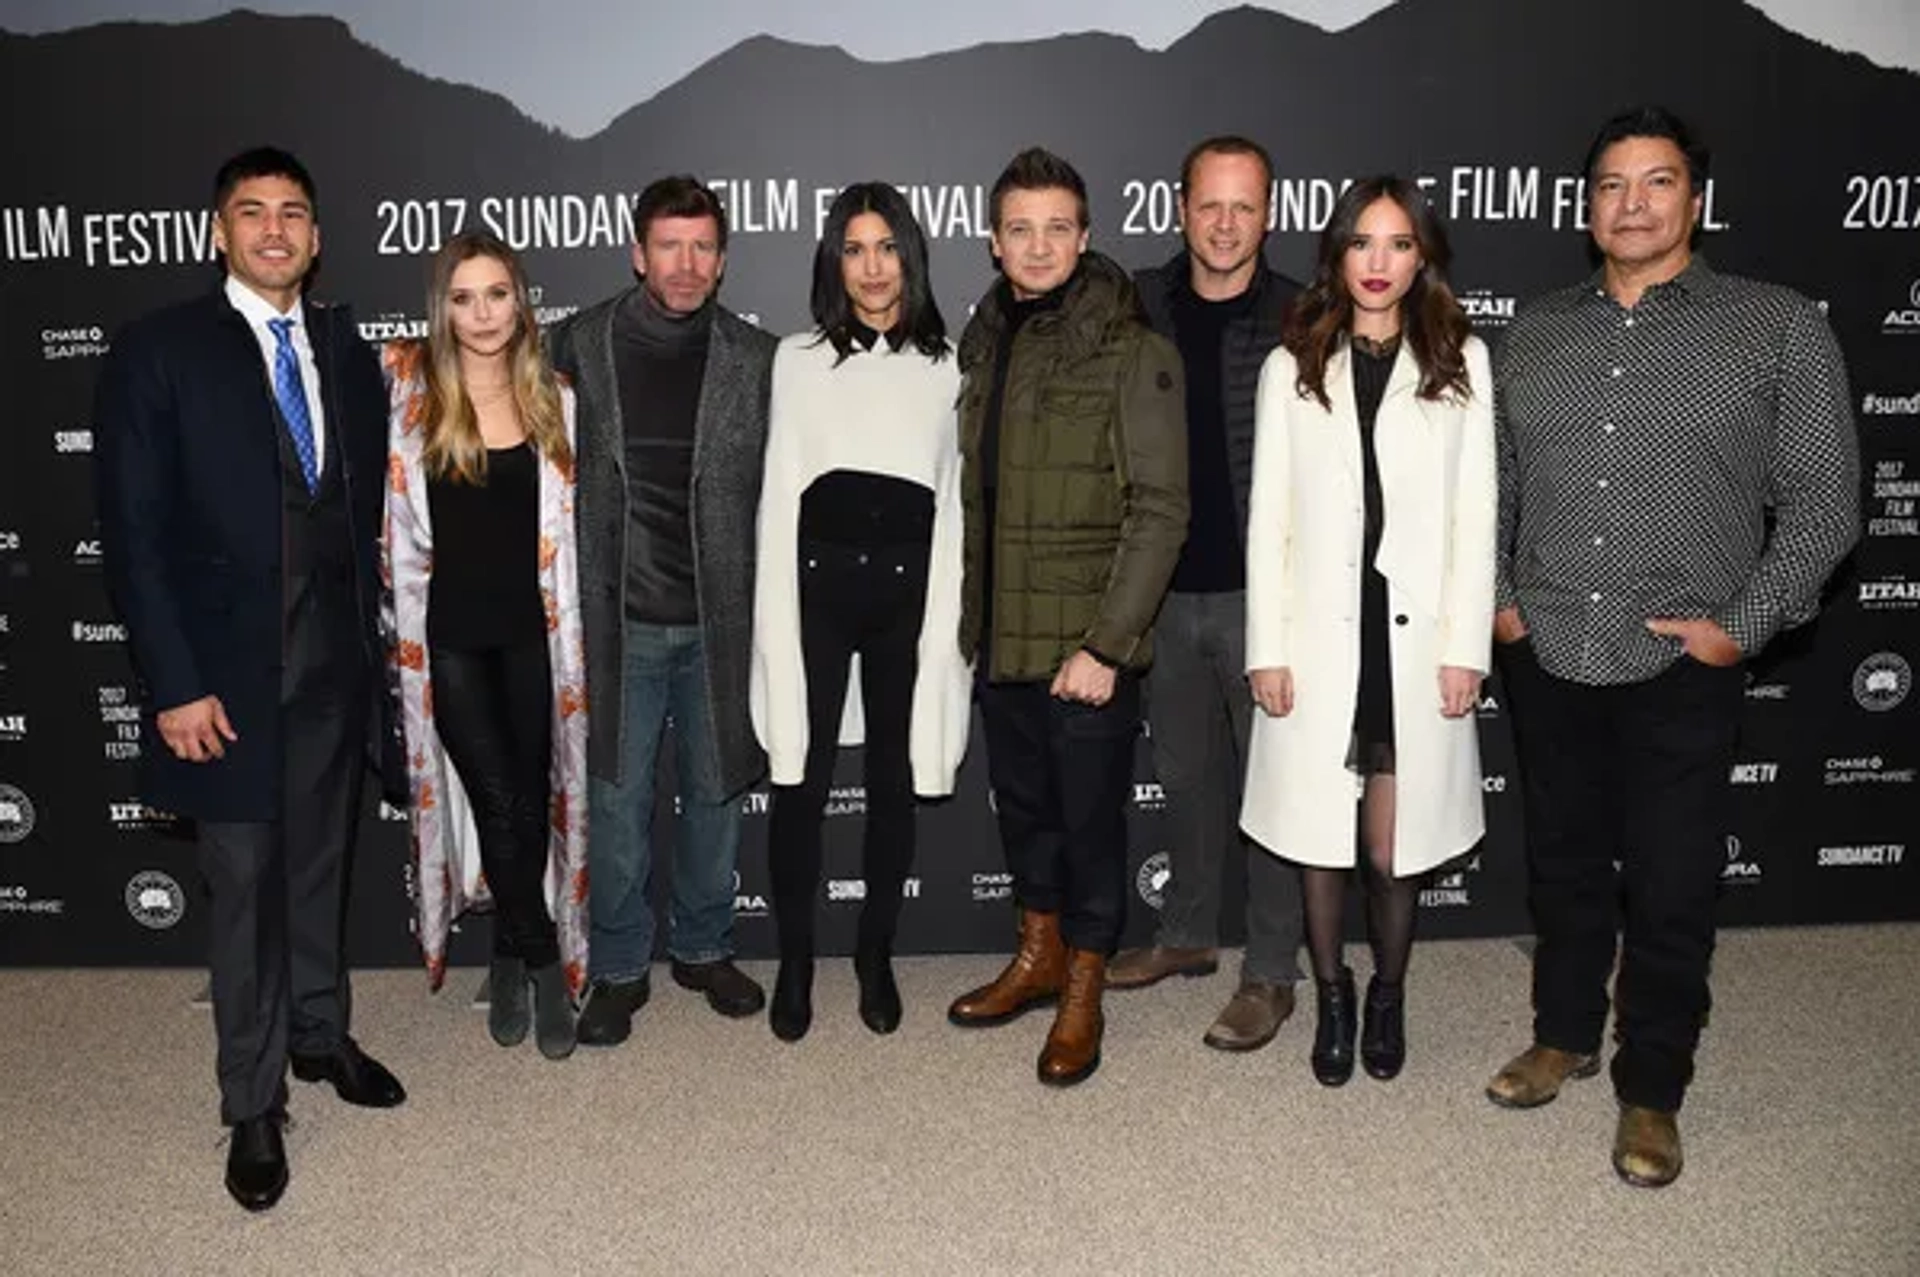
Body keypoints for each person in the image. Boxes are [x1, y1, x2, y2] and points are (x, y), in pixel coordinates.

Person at [1485, 106, 1858, 1187]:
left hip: (1680, 663)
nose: (1631, 203)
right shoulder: (1539, 331)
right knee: (1561, 867)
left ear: (1695, 196)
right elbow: (1493, 493)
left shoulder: (1775, 325)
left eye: (1655, 182)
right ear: (1586, 203)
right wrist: (1504, 606)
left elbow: (1828, 503)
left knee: (1673, 879)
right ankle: (1563, 1032)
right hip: (1548, 645)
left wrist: (1737, 630)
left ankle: (1653, 1086)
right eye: (1610, 185)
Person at [93, 147, 406, 1213]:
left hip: (334, 668)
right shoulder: (158, 351)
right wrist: (173, 683)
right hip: (221, 682)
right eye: (253, 212)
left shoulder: (343, 348)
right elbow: (133, 536)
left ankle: (320, 1034)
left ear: (317, 239)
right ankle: (251, 1100)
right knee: (244, 895)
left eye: (295, 214)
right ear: (217, 232)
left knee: (321, 868)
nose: (276, 230)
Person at [1242, 176, 1495, 1088]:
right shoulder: (1294, 364)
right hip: (1319, 638)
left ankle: (1388, 991)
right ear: (1337, 255)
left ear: (1421, 254)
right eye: (1361, 243)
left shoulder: (1460, 360)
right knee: (1319, 838)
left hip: (1413, 640)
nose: (1378, 263)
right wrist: (1265, 646)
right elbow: (1268, 515)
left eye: (1397, 244)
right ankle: (1332, 991)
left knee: (1391, 848)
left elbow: (1478, 514)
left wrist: (1467, 646)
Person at [945, 148, 1189, 1087]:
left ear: (1085, 238)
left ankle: (1083, 988)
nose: (1039, 246)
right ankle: (1038, 956)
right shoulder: (986, 337)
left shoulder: (1132, 348)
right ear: (995, 242)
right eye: (1020, 229)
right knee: (1029, 818)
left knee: (1091, 828)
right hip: (1003, 637)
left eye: (1058, 228)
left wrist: (1106, 646)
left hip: (1088, 646)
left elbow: (1161, 509)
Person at [548, 176, 778, 1044]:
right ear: (638, 252)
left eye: (703, 247)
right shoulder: (575, 345)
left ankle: (703, 946)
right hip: (619, 623)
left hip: (724, 617)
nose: (685, 265)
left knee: (716, 790)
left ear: (722, 260)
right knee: (615, 800)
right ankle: (615, 966)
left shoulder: (755, 360)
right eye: (668, 246)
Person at [751, 183, 969, 1042]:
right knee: (798, 784)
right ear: (833, 261)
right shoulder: (796, 359)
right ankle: (796, 960)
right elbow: (778, 497)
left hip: (906, 605)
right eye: (855, 248)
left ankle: (875, 955)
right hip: (817, 598)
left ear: (910, 257)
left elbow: (952, 501)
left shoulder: (949, 365)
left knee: (891, 784)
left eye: (887, 248)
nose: (872, 267)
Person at [1112, 135, 1308, 1052]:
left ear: (1267, 214)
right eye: (1210, 204)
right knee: (1186, 779)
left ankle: (1270, 974)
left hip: (1263, 602)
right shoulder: (1137, 303)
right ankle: (1186, 933)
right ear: (1180, 207)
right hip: (1162, 594)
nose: (1226, 223)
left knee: (1273, 791)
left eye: (1245, 206)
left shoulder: (1306, 316)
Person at [382, 231, 588, 1061]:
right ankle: (542, 959)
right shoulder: (410, 396)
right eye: (463, 298)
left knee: (531, 800)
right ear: (444, 308)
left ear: (520, 300)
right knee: (500, 799)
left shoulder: (558, 400)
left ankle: (506, 946)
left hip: (537, 638)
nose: (482, 314)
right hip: (453, 643)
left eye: (496, 293)